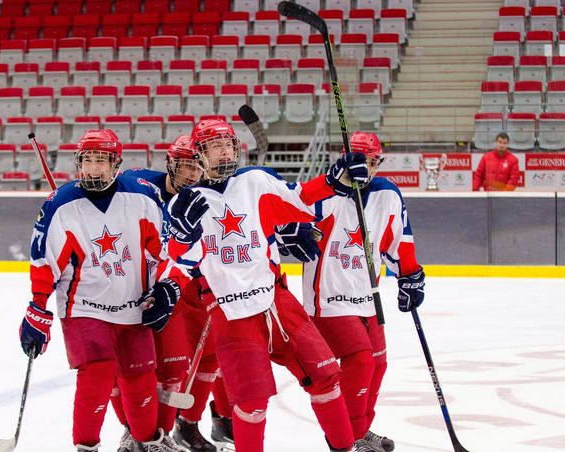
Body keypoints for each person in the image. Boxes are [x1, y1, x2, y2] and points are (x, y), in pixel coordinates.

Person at [165, 118, 369, 452]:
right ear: (199, 155)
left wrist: (336, 180)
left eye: (228, 144)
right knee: (251, 401)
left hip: (277, 300)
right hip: (231, 312)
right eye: (214, 146)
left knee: (326, 377)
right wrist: (183, 236)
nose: (223, 151)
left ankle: (345, 448)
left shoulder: (256, 181)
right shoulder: (185, 204)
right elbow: (186, 260)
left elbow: (301, 200)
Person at [18, 129, 187, 452]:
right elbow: (44, 260)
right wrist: (38, 307)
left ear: (116, 164)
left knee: (140, 379)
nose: (93, 168)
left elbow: (166, 250)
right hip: (83, 305)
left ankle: (148, 442)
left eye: (101, 161)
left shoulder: (142, 196)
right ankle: (86, 447)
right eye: (88, 161)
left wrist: (166, 286)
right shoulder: (60, 204)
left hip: (133, 304)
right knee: (97, 373)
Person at [301, 131, 425, 452]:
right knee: (360, 362)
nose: (365, 166)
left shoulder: (388, 194)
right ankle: (348, 439)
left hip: (366, 296)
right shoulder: (326, 190)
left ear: (378, 161)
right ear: (345, 157)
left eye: (370, 160)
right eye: (358, 159)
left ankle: (359, 430)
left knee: (379, 363)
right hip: (327, 297)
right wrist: (337, 183)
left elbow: (399, 241)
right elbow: (300, 211)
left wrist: (409, 276)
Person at [115, 134, 233, 452]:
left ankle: (169, 431)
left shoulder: (204, 197)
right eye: (185, 167)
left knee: (180, 364)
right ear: (171, 163)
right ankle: (132, 429)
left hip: (181, 285)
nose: (192, 175)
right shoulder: (137, 185)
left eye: (198, 168)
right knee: (129, 364)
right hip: (136, 284)